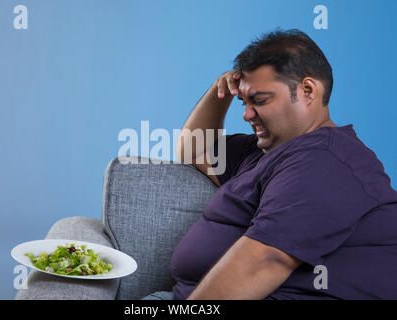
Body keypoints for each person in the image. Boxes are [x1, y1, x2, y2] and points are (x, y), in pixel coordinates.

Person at [147, 28, 397, 300]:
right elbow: (193, 152)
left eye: (259, 100)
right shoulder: (263, 151)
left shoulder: (326, 159)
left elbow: (266, 261)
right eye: (243, 102)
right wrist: (220, 93)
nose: (246, 115)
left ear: (307, 90)